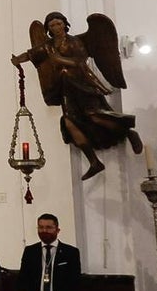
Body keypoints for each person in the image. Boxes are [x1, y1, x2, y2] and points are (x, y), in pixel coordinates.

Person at [11, 12, 142, 180]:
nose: (56, 28)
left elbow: (79, 62)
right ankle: (94, 162)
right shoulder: (48, 45)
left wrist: (59, 60)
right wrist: (17, 60)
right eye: (52, 26)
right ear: (49, 29)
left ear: (65, 24)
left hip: (82, 85)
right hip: (65, 88)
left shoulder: (75, 41)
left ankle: (128, 131)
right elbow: (31, 54)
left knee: (93, 115)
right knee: (69, 122)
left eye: (58, 24)